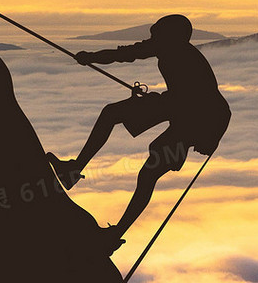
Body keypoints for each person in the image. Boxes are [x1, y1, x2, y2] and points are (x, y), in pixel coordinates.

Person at [46, 14, 231, 254]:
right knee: (114, 118)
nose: (152, 39)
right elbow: (131, 55)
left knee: (147, 173)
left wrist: (89, 58)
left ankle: (112, 232)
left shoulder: (181, 54)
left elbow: (125, 54)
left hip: (193, 119)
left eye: (157, 35)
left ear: (170, 37)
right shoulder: (176, 50)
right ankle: (76, 172)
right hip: (182, 109)